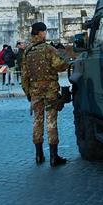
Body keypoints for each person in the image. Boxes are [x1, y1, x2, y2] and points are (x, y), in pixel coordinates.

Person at [20, 22, 69, 166]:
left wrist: (27, 92)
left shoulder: (27, 52)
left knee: (37, 121)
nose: (45, 34)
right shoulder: (49, 49)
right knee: (51, 121)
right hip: (50, 91)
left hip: (35, 91)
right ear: (41, 33)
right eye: (44, 32)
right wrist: (63, 55)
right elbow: (60, 66)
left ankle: (39, 155)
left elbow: (24, 76)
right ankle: (54, 156)